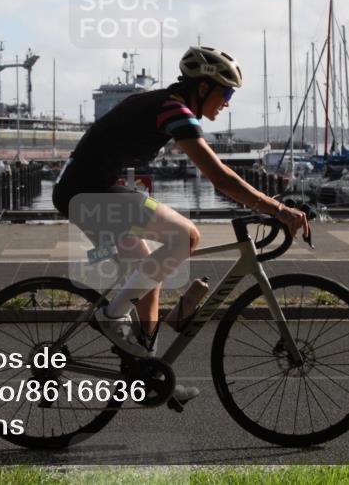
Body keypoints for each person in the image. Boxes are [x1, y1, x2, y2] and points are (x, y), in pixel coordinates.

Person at [52, 46, 310, 403]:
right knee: (186, 235)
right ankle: (112, 318)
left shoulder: (168, 103)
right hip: (88, 192)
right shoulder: (174, 109)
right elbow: (220, 177)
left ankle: (148, 374)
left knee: (149, 276)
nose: (228, 102)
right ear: (203, 87)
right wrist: (278, 209)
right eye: (227, 92)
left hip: (87, 188)